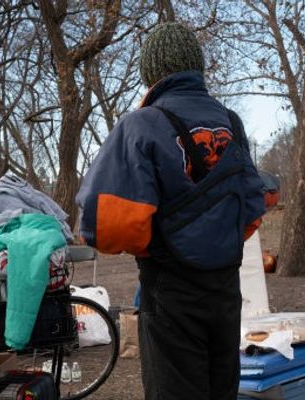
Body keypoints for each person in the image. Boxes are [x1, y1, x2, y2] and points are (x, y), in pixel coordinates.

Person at [76, 22, 265, 400]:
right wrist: (212, 241)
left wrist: (158, 242)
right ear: (197, 66)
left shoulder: (141, 126)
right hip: (226, 289)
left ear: (152, 74)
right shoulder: (232, 123)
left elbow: (103, 225)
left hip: (171, 292)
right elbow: (252, 208)